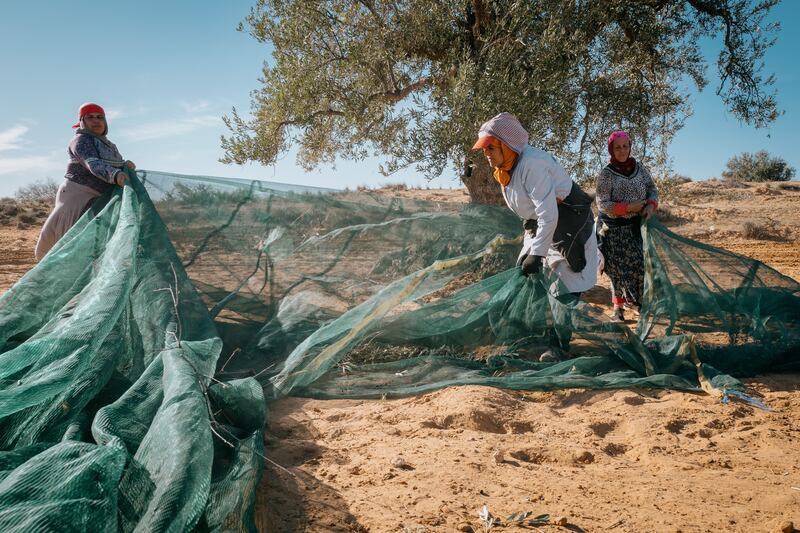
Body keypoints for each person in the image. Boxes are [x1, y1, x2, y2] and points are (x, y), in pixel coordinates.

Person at [473, 112, 597, 361]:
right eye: (484, 148)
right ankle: (533, 338)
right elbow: (531, 217)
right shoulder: (505, 170)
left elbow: (549, 214)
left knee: (565, 286)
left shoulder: (532, 164)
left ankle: (558, 346)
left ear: (507, 146)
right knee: (532, 280)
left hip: (568, 227)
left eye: (490, 147)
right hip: (541, 228)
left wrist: (537, 253)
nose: (486, 153)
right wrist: (531, 251)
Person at [35, 103, 135, 260]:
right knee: (66, 244)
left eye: (100, 117)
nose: (96, 121)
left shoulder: (110, 145)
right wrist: (116, 175)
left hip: (101, 200)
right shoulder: (81, 140)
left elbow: (116, 163)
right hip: (78, 198)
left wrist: (125, 166)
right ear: (82, 121)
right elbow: (93, 163)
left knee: (96, 247)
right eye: (90, 117)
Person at [595, 130, 658, 322]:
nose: (622, 150)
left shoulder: (639, 168)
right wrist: (628, 207)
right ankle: (618, 308)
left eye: (625, 146)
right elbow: (602, 203)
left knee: (639, 265)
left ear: (630, 147)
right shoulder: (606, 174)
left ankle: (638, 303)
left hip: (635, 227)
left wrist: (650, 205)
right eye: (617, 147)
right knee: (616, 270)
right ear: (611, 150)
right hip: (612, 228)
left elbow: (652, 189)